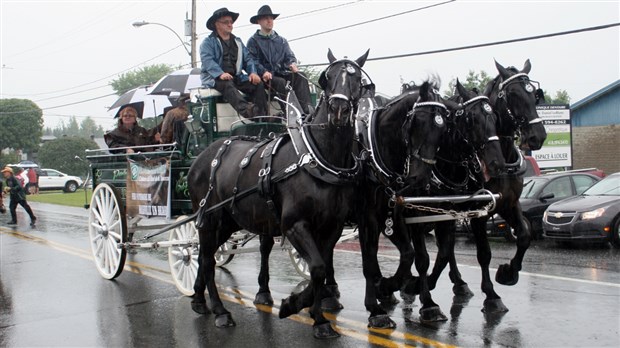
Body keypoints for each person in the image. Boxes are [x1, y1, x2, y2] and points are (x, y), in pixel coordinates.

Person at [200, 7, 268, 119]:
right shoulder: (208, 42)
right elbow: (208, 61)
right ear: (216, 24)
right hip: (215, 79)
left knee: (257, 84)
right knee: (227, 84)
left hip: (237, 77)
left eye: (231, 22)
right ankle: (248, 111)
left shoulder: (237, 41)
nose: (230, 25)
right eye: (226, 22)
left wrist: (253, 73)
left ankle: (263, 116)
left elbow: (248, 59)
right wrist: (220, 73)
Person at [247, 5, 313, 115]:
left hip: (282, 73)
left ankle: (307, 112)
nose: (269, 20)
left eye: (271, 18)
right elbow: (253, 61)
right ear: (259, 21)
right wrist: (263, 72)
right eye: (266, 18)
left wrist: (292, 64)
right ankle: (290, 113)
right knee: (280, 82)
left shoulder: (281, 40)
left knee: (301, 76)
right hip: (266, 78)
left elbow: (289, 56)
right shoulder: (253, 41)